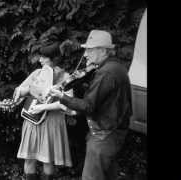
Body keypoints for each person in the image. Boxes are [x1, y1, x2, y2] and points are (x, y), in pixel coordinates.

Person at [49, 30, 132, 180]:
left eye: (89, 49)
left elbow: (88, 106)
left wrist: (62, 96)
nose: (85, 54)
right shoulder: (115, 67)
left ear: (102, 50)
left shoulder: (106, 73)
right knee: (108, 175)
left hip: (104, 135)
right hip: (112, 132)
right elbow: (104, 101)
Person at [13, 42, 73, 180]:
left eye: (44, 57)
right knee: (29, 158)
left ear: (53, 59)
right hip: (32, 120)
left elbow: (69, 103)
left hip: (52, 122)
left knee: (48, 160)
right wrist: (24, 90)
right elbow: (20, 90)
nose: (40, 60)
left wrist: (43, 107)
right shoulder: (37, 73)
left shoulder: (65, 77)